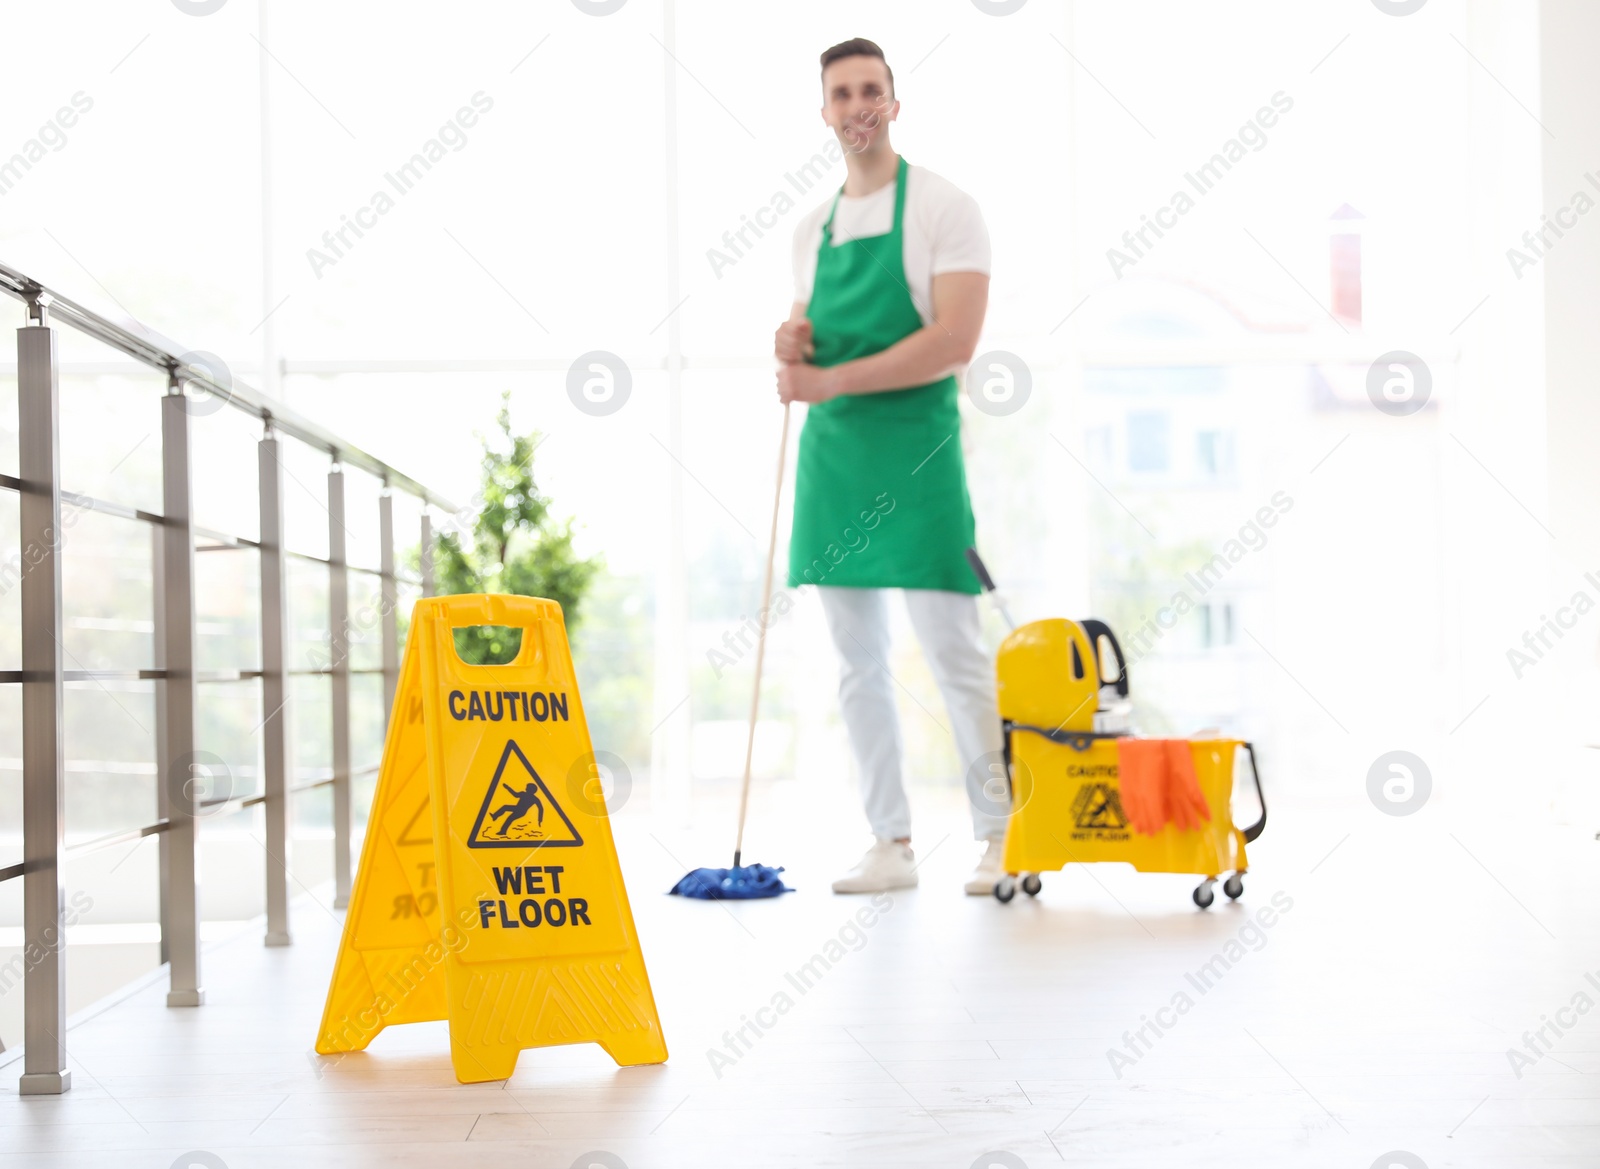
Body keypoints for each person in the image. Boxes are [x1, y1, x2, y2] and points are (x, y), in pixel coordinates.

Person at [775, 37, 1007, 896]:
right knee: (855, 660)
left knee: (954, 650)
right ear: (826, 112)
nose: (857, 105)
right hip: (835, 463)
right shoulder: (814, 228)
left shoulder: (947, 208)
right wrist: (790, 345)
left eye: (871, 89)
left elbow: (952, 341)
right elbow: (805, 332)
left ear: (894, 104)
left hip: (920, 456)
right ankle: (890, 842)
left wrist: (826, 377)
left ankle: (1000, 835)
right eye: (841, 93)